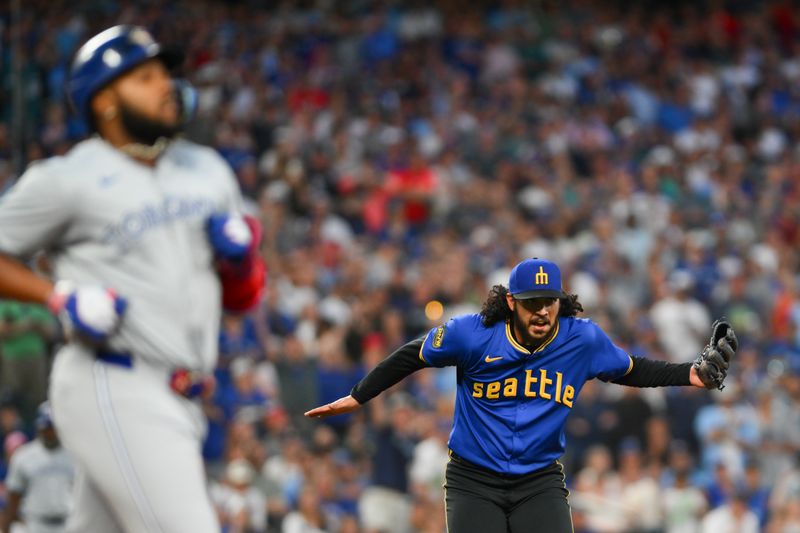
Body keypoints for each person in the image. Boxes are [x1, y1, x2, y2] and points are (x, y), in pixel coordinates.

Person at [0, 25, 265, 533]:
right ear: (105, 102)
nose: (164, 84)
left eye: (164, 73)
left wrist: (240, 262)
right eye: (144, 77)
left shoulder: (207, 169)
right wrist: (59, 295)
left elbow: (243, 297)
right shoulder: (67, 179)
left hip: (184, 393)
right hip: (115, 379)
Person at [306, 258, 737, 532]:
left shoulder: (581, 341)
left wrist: (692, 375)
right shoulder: (472, 334)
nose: (543, 312)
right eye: (533, 302)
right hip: (474, 479)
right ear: (511, 302)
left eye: (550, 301)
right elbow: (411, 355)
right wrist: (359, 396)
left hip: (538, 479)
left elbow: (633, 369)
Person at [1, 402, 76, 533]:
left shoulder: (74, 455)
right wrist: (6, 528)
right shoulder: (24, 456)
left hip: (67, 522)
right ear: (39, 427)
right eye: (46, 427)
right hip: (36, 524)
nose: (49, 432)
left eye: (52, 427)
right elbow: (13, 498)